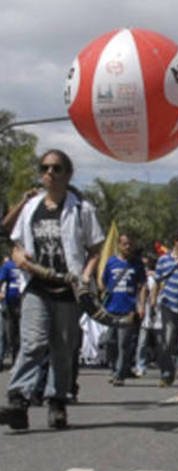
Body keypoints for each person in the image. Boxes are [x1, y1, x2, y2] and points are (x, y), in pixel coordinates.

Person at [0, 149, 104, 431]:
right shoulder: (31, 207)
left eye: (56, 168)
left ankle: (57, 400)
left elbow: (95, 249)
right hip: (36, 285)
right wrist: (19, 257)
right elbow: (17, 243)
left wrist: (84, 275)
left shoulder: (81, 208)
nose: (49, 173)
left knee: (62, 347)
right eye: (45, 168)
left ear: (67, 174)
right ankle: (18, 399)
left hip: (68, 288)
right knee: (32, 343)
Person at [100, 233, 147, 385]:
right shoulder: (111, 262)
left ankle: (120, 375)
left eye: (130, 244)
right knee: (109, 342)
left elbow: (142, 286)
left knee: (123, 344)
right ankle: (113, 369)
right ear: (119, 245)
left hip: (128, 309)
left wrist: (140, 305)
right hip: (112, 308)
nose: (128, 247)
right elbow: (104, 282)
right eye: (125, 244)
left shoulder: (137, 264)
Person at [155, 230, 178, 387]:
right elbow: (157, 280)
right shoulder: (164, 260)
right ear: (176, 242)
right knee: (167, 341)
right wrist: (153, 300)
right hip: (168, 303)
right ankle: (167, 373)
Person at [133, 253, 163, 381]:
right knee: (142, 342)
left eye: (148, 263)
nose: (146, 266)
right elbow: (143, 292)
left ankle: (164, 368)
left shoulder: (159, 276)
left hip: (159, 313)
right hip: (146, 313)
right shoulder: (144, 277)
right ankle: (140, 366)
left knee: (161, 342)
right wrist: (141, 307)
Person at [0, 255, 25, 371]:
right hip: (14, 302)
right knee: (15, 332)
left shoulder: (9, 265)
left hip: (19, 301)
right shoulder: (10, 265)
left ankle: (18, 360)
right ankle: (16, 360)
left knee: (16, 332)